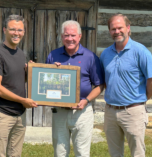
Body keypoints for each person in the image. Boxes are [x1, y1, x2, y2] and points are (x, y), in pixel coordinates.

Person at [100, 14, 152, 157]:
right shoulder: (105, 54)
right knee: (115, 153)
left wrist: (142, 99)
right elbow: (103, 81)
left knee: (137, 153)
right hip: (110, 111)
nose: (117, 32)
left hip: (133, 111)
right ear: (109, 31)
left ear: (128, 28)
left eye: (120, 27)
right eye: (113, 29)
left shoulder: (140, 51)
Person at [46, 20, 104, 157]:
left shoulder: (90, 57)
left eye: (73, 35)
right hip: (59, 111)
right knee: (59, 152)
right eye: (66, 35)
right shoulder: (53, 56)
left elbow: (99, 85)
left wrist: (86, 100)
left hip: (82, 111)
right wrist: (53, 72)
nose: (70, 39)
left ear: (79, 36)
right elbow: (45, 83)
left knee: (82, 152)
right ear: (61, 37)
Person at [0, 15, 37, 157]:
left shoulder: (20, 53)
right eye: (13, 29)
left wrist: (30, 72)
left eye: (20, 30)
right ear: (4, 30)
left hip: (19, 114)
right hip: (2, 113)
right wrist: (23, 100)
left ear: (24, 32)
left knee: (15, 154)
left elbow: (16, 81)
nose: (17, 33)